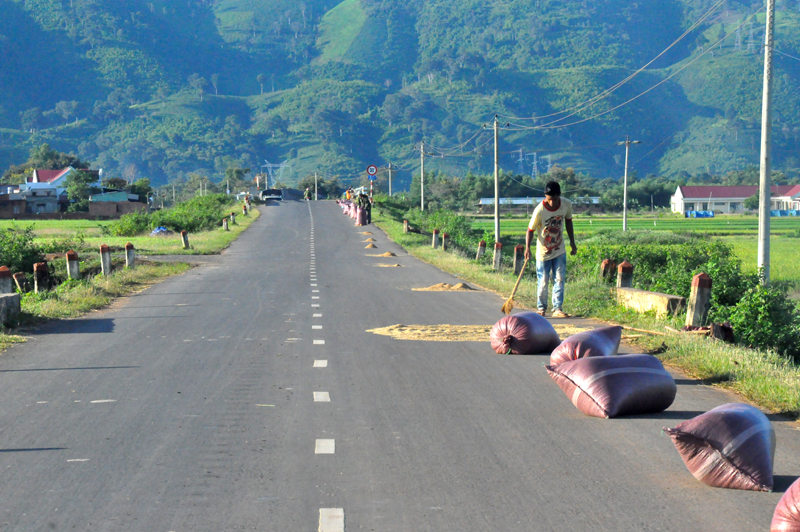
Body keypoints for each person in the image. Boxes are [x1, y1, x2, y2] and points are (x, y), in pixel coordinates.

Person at [524, 181, 577, 318]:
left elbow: (568, 222)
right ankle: (541, 308)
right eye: (549, 199)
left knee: (559, 279)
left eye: (554, 199)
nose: (551, 203)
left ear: (559, 195)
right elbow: (530, 230)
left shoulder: (566, 204)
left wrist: (572, 243)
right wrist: (528, 248)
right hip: (543, 252)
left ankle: (557, 308)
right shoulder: (540, 210)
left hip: (559, 250)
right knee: (543, 280)